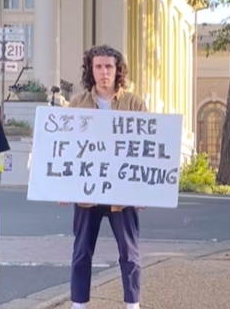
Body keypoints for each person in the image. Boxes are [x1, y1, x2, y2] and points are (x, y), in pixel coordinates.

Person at [62, 45, 144, 309]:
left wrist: (143, 189)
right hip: (87, 191)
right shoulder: (77, 103)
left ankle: (132, 304)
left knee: (129, 254)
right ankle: (79, 305)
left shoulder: (134, 103)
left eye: (109, 66)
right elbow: (66, 147)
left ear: (118, 70)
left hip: (123, 193)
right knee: (82, 252)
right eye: (99, 66)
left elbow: (144, 148)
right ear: (91, 69)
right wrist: (63, 187)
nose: (104, 72)